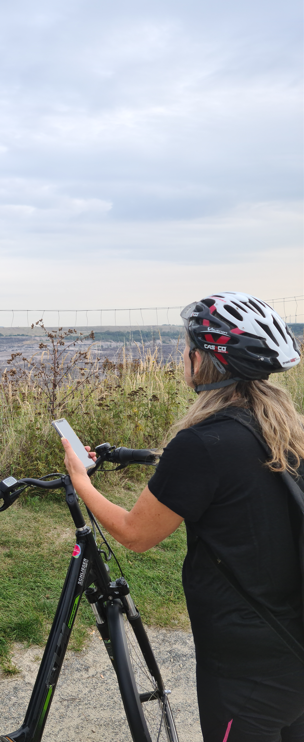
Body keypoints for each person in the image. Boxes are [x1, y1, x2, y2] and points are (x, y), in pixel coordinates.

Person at [62, 291, 304, 741]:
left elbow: (135, 534)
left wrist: (82, 482)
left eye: (187, 349)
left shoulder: (202, 444)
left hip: (245, 668)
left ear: (202, 360)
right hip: (293, 647)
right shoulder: (286, 429)